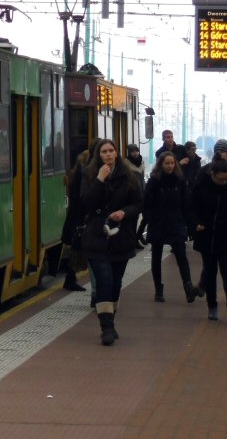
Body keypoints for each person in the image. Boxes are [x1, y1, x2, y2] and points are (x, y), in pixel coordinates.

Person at [79, 138, 143, 345]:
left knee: (116, 282)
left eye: (111, 151)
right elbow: (86, 203)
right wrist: (99, 180)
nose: (108, 154)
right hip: (97, 236)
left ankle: (111, 319)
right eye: (103, 151)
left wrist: (124, 212)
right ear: (98, 155)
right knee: (104, 280)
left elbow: (138, 204)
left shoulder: (130, 176)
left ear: (116, 154)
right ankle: (106, 326)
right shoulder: (89, 175)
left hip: (120, 237)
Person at [191, 156, 227, 321]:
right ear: (213, 174)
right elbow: (192, 207)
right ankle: (212, 306)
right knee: (210, 273)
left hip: (226, 235)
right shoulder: (201, 186)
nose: (224, 181)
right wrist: (196, 223)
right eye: (221, 179)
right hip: (206, 236)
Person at [143, 151, 201, 303]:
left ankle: (188, 288)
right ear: (160, 164)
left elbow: (186, 204)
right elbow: (147, 203)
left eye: (172, 163)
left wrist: (190, 225)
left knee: (181, 255)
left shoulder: (180, 180)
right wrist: (150, 219)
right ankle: (158, 289)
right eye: (166, 163)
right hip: (158, 223)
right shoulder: (154, 181)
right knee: (156, 256)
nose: (169, 166)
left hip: (176, 222)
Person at [59, 139, 103, 292]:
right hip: (81, 215)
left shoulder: (82, 164)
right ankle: (88, 287)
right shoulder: (88, 169)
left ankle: (71, 279)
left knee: (78, 248)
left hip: (77, 214)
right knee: (81, 249)